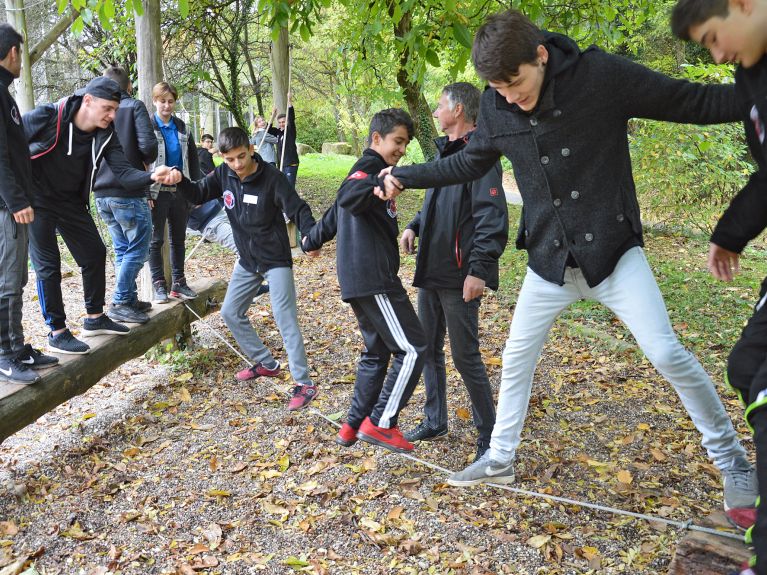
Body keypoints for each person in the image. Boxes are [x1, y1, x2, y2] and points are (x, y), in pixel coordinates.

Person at [378, 9, 758, 513]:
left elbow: (692, 99)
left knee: (667, 353)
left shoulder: (601, 76)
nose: (510, 97)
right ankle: (500, 456)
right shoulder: (495, 106)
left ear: (540, 55)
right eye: (499, 89)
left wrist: (759, 92)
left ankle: (733, 461)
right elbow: (468, 161)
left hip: (614, 255)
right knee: (515, 359)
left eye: (515, 83)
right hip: (548, 263)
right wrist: (410, 176)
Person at [671, 1, 767, 572]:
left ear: (743, 4)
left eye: (712, 37)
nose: (719, 53)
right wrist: (730, 233)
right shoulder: (750, 72)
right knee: (746, 366)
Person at [303, 109, 427, 453]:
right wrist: (377, 185)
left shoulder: (365, 170)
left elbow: (335, 210)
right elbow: (347, 197)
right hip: (375, 280)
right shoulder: (370, 169)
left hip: (361, 279)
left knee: (376, 352)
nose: (401, 149)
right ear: (377, 139)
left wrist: (311, 240)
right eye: (397, 141)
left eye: (405, 143)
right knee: (414, 348)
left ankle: (352, 424)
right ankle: (382, 424)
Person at [23, 77, 176, 354]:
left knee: (94, 253)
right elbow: (9, 144)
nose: (112, 115)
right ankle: (57, 332)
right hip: (37, 200)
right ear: (88, 101)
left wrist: (152, 175)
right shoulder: (48, 115)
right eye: (108, 109)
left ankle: (94, 318)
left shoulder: (105, 133)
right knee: (48, 265)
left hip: (71, 201)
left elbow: (125, 174)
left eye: (115, 110)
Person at [401, 82, 508, 462]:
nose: (434, 112)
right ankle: (435, 419)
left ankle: (491, 435)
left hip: (461, 274)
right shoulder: (444, 153)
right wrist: (414, 224)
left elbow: (491, 218)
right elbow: (435, 199)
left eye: (440, 105)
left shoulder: (480, 157)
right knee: (427, 348)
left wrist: (479, 270)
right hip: (431, 268)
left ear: (459, 110)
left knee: (466, 357)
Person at [176, 127, 318, 410]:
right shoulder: (223, 174)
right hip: (247, 259)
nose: (237, 165)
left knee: (284, 317)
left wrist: (309, 235)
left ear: (251, 149)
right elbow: (198, 192)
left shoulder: (272, 179)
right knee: (230, 312)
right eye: (230, 159)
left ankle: (304, 384)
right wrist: (179, 180)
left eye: (241, 156)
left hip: (274, 259)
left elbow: (298, 208)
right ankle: (266, 362)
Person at [0, 23, 57, 383]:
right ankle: (5, 355)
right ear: (14, 53)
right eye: (21, 55)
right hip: (7, 207)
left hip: (13, 204)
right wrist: (16, 199)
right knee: (7, 281)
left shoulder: (4, 95)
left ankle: (17, 347)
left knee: (17, 278)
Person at [93, 66, 158, 325]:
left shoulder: (95, 109)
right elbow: (149, 148)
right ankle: (120, 300)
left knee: (122, 248)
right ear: (128, 87)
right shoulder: (133, 106)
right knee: (140, 247)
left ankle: (129, 298)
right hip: (128, 189)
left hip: (100, 192)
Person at [148, 81, 200, 303]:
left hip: (180, 189)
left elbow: (193, 160)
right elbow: (141, 162)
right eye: (162, 101)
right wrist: (145, 191)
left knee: (178, 238)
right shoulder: (148, 127)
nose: (166, 106)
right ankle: (159, 283)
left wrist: (194, 190)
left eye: (170, 101)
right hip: (156, 191)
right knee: (155, 239)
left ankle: (179, 282)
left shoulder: (183, 128)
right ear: (154, 102)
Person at [268, 93, 299, 186]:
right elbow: (268, 129)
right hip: (281, 164)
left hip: (290, 164)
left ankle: (291, 201)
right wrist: (273, 115)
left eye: (283, 122)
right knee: (283, 187)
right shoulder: (278, 132)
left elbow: (292, 117)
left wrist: (289, 101)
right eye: (280, 122)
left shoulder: (290, 131)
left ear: (287, 122)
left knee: (289, 188)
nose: (281, 124)